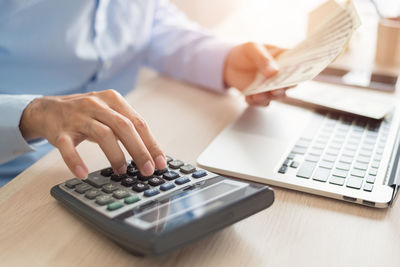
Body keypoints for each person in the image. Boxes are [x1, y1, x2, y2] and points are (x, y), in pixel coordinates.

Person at [0, 0, 286, 187]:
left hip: (110, 165)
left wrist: (223, 61)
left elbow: (150, 22)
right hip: (17, 175)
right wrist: (32, 115)